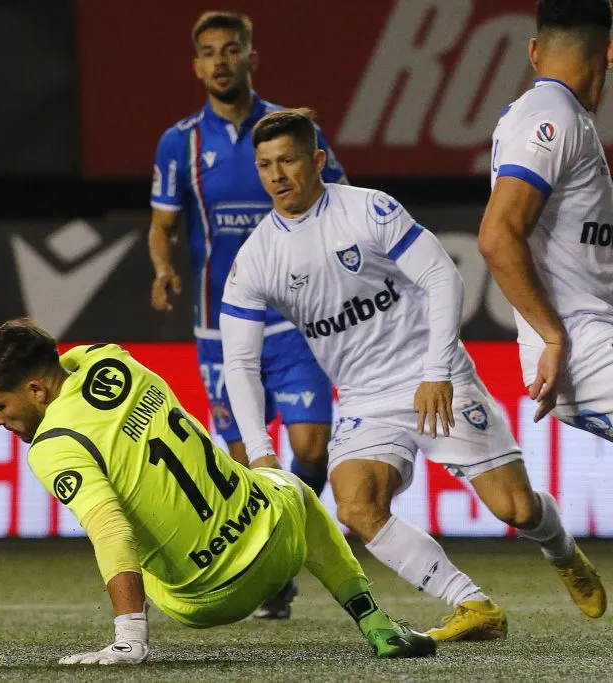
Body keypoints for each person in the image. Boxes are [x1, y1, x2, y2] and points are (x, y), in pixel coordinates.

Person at [0, 319, 436, 664]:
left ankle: (135, 634)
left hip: (206, 599)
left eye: (0, 408)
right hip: (274, 541)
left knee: (134, 532)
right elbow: (26, 363)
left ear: (35, 393)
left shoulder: (54, 447)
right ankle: (375, 621)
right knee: (291, 490)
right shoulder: (106, 359)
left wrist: (129, 636)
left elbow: (110, 530)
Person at [219, 108, 606, 642]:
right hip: (361, 399)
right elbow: (238, 361)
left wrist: (436, 371)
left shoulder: (368, 210)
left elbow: (442, 276)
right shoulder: (257, 257)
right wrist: (262, 452)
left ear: (318, 161)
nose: (277, 176)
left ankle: (560, 548)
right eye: (265, 165)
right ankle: (472, 604)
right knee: (356, 503)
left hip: (434, 376)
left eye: (288, 160)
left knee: (514, 508)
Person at [148, 9, 346, 619]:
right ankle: (275, 575)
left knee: (311, 450)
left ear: (250, 57)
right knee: (242, 467)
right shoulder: (180, 141)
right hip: (222, 328)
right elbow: (162, 226)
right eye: (208, 52)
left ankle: (278, 560)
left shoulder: (290, 130)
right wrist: (164, 267)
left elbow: (340, 200)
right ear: (196, 65)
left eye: (231, 50)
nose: (220, 61)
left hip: (297, 321)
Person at [479, 0, 613, 443]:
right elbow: (498, 237)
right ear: (609, 51)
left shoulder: (568, 117)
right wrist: (553, 338)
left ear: (534, 51)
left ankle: (546, 519)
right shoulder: (550, 116)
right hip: (578, 351)